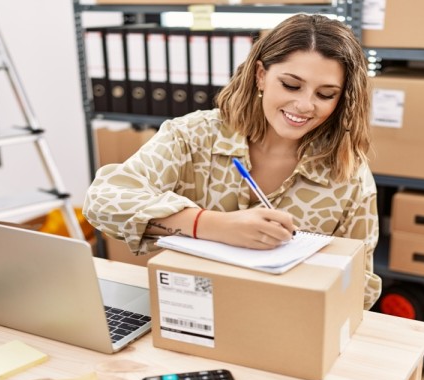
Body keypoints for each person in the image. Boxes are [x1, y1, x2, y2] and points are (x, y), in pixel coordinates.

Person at [83, 13, 381, 309]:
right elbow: (102, 202)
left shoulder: (349, 175)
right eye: (291, 85)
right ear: (261, 75)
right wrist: (211, 226)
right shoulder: (194, 136)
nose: (305, 105)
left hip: (285, 319)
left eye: (326, 94)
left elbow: (361, 289)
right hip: (188, 309)